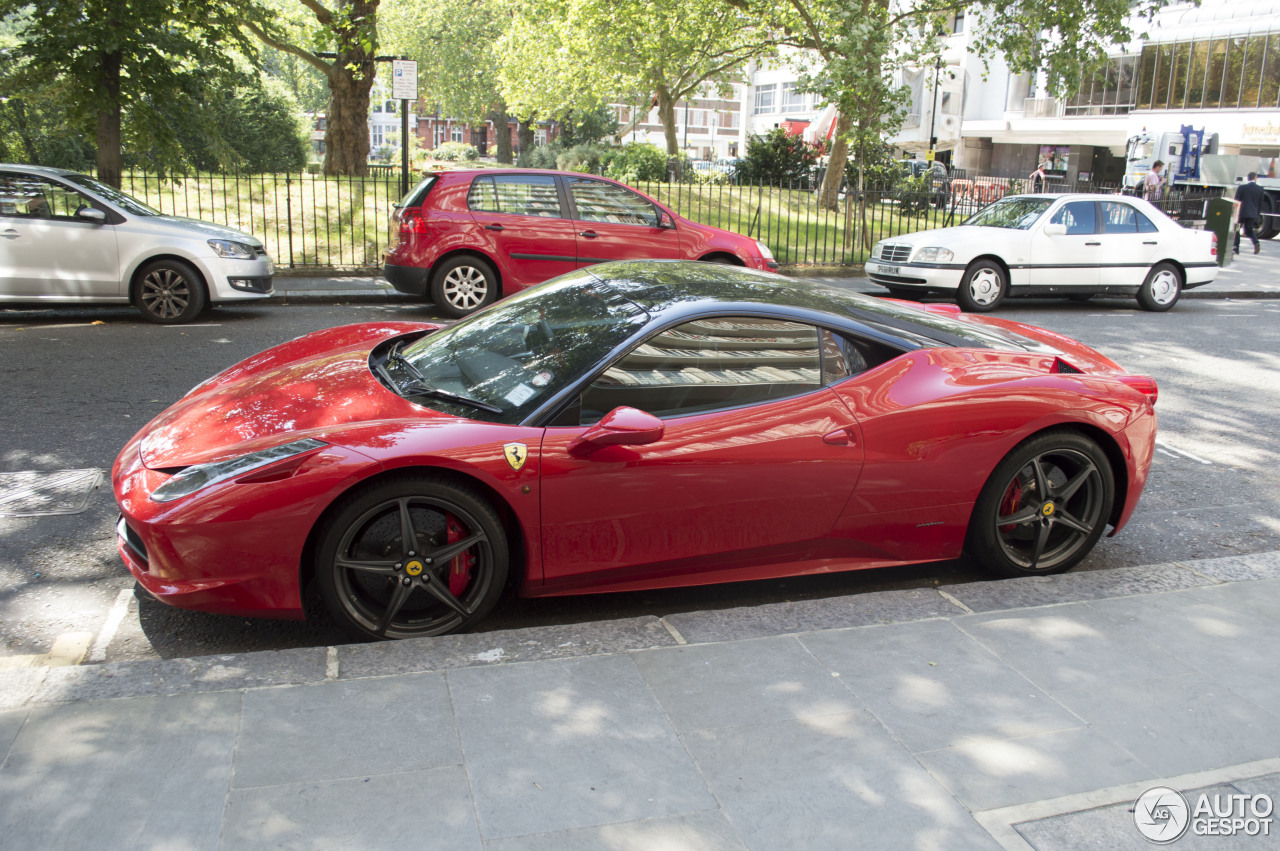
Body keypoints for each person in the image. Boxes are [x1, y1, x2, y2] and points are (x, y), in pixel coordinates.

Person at [1234, 171, 1267, 255]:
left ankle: (1236, 248)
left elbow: (1237, 201)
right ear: (1255, 178)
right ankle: (1256, 242)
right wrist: (1257, 214)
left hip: (1241, 212)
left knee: (1237, 230)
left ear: (1247, 178)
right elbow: (1260, 203)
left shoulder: (1242, 187)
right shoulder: (1260, 189)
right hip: (1252, 213)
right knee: (1248, 230)